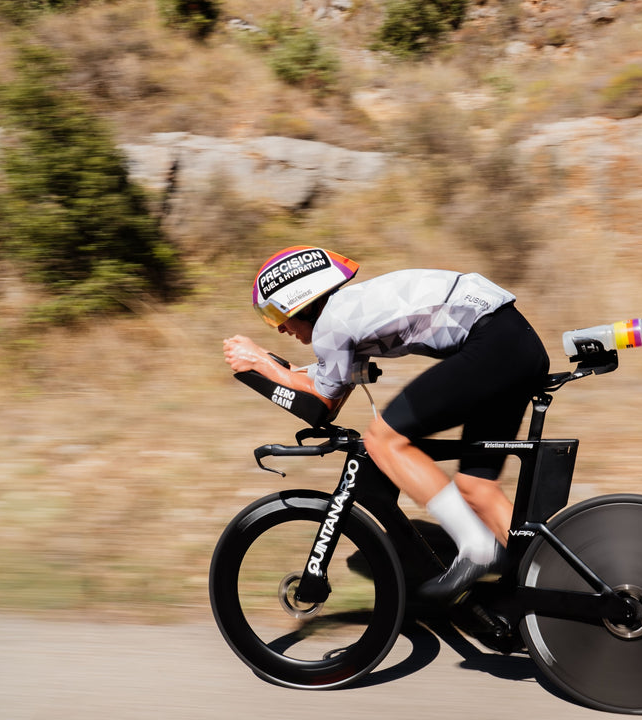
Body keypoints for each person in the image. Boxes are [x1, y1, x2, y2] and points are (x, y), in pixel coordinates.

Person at [223, 246, 550, 602]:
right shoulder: (346, 312)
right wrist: (274, 368)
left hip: (493, 347)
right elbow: (326, 388)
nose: (282, 329)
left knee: (383, 440)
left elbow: (322, 400)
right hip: (514, 343)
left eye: (277, 315)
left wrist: (260, 361)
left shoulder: (332, 324)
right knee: (477, 488)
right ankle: (548, 586)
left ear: (300, 301)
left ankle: (477, 547)